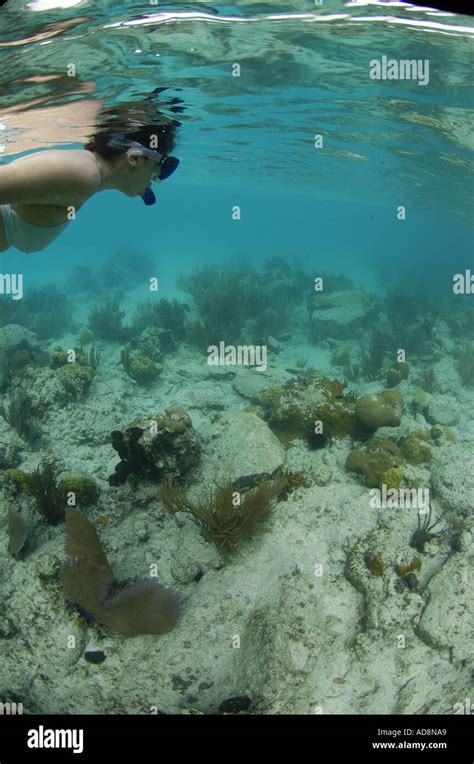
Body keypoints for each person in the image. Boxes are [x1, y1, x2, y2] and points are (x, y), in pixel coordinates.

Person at [0, 122, 179, 253]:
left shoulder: (87, 172)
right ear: (135, 158)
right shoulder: (84, 175)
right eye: (161, 168)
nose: (157, 180)